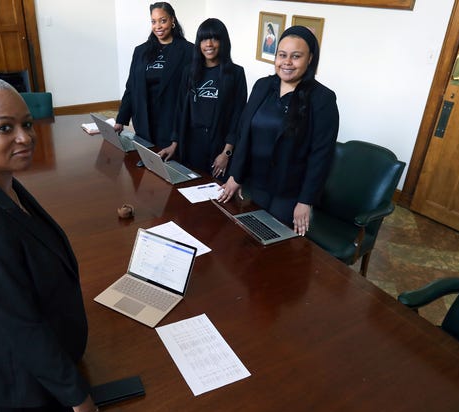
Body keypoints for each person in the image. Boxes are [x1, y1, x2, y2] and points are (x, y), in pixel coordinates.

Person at [0, 77, 118, 412]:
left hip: (48, 355)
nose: (25, 137)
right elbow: (18, 326)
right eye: (4, 128)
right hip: (16, 376)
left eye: (26, 123)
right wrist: (76, 393)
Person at [218, 26, 339, 236]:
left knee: (274, 248)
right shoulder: (263, 86)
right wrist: (235, 175)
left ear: (310, 59)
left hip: (289, 192)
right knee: (241, 241)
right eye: (282, 55)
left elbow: (321, 155)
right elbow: (244, 133)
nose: (287, 62)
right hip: (253, 183)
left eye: (296, 56)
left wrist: (305, 201)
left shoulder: (322, 99)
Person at [157, 18, 247, 180]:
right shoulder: (189, 72)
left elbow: (238, 118)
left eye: (214, 38)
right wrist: (174, 143)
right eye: (204, 39)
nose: (209, 44)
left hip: (219, 145)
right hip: (191, 144)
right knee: (188, 189)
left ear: (223, 42)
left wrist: (226, 153)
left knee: (215, 192)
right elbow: (180, 110)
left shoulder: (236, 74)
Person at [114, 2, 193, 149]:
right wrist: (121, 119)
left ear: (172, 20)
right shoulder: (140, 51)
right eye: (154, 21)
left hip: (171, 121)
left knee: (168, 166)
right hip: (144, 119)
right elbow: (131, 87)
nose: (158, 26)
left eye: (163, 21)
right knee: (145, 164)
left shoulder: (188, 50)